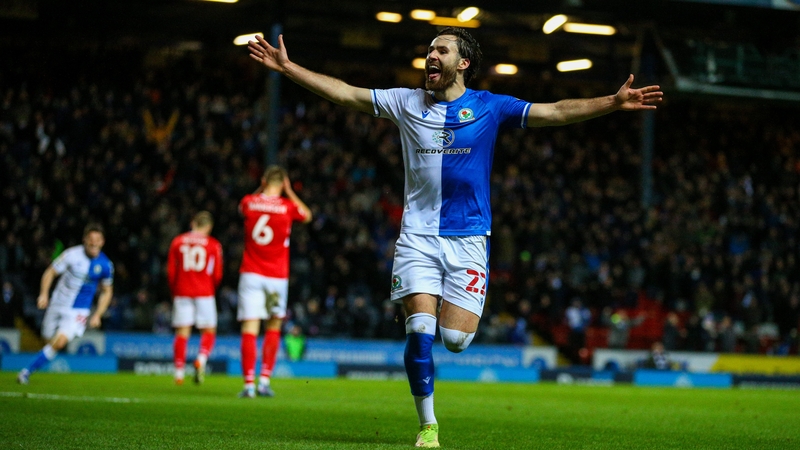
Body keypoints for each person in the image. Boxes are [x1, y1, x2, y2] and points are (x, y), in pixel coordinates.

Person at [248, 27, 662, 447]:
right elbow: (345, 93)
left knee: (456, 341)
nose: (431, 55)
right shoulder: (406, 102)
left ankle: (436, 306)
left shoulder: (489, 106)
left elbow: (555, 111)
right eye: (428, 49)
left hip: (468, 239)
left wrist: (611, 102)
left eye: (441, 50)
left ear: (462, 64)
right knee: (420, 332)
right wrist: (288, 68)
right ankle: (428, 425)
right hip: (417, 238)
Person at [237, 166, 312, 398]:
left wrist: (261, 189)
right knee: (273, 326)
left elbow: (241, 208)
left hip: (250, 273)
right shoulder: (287, 207)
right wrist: (288, 192)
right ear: (284, 183)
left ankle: (248, 385)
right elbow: (307, 216)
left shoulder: (249, 201)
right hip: (276, 277)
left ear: (263, 180)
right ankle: (264, 381)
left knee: (250, 327)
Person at [17, 224, 114, 384]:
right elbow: (50, 272)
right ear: (85, 240)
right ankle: (38, 361)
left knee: (60, 342)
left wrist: (98, 314)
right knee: (48, 339)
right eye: (91, 240)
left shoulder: (105, 265)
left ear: (102, 242)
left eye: (98, 240)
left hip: (78, 311)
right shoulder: (71, 255)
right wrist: (43, 294)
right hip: (57, 304)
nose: (94, 243)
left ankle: (26, 372)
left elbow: (107, 291)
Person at [166, 211, 223, 385]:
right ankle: (201, 359)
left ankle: (179, 373)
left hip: (182, 291)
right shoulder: (213, 245)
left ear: (193, 223)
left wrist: (175, 289)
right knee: (208, 330)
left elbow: (171, 271)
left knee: (182, 333)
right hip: (204, 292)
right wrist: (211, 286)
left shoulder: (178, 241)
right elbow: (217, 274)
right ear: (209, 227)